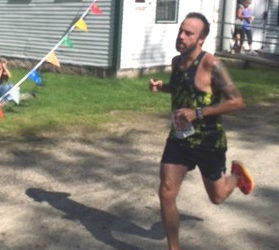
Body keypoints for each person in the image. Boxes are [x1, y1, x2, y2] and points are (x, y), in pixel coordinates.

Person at [149, 12, 254, 250]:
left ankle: (237, 177)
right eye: (181, 31)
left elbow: (237, 101)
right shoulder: (177, 62)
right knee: (166, 192)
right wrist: (162, 87)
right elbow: (180, 89)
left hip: (208, 141)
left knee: (217, 197)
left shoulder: (212, 64)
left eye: (189, 33)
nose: (181, 36)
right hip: (179, 138)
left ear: (201, 40)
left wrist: (197, 113)